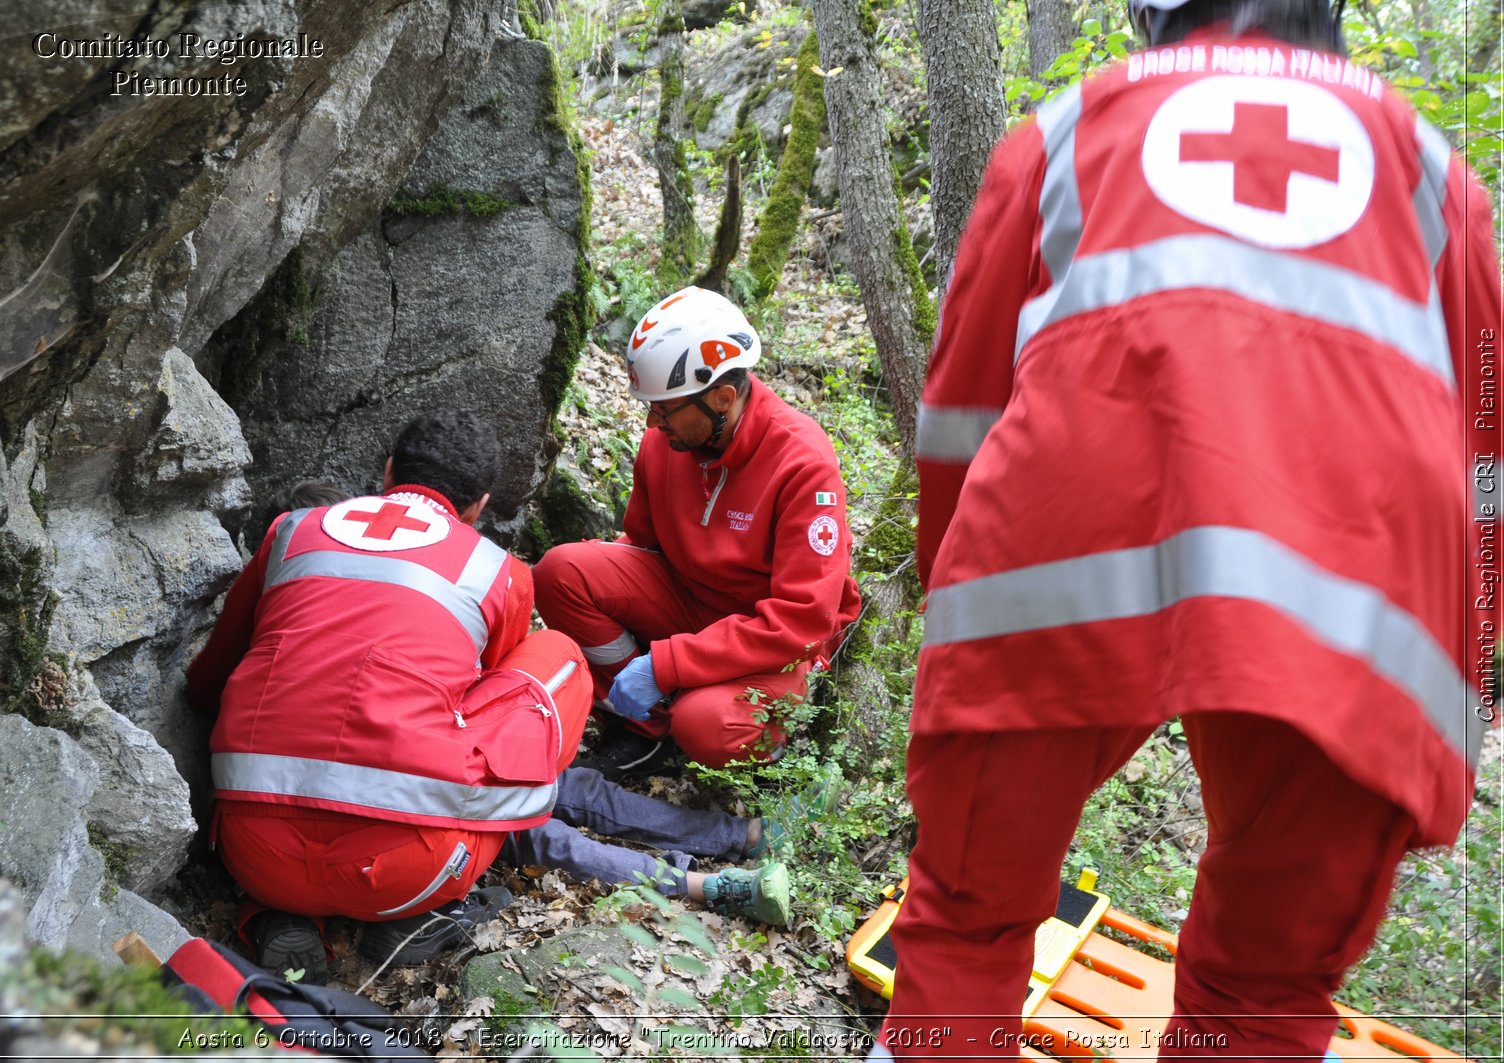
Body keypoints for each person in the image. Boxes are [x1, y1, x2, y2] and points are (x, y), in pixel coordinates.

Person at [877, 0, 1500, 1055]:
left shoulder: (1069, 130)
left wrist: (956, 609)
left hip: (1058, 558)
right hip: (1369, 600)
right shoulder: (1435, 174)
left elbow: (962, 414)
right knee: (1258, 995)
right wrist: (1467, 657)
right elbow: (1486, 450)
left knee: (966, 920)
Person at [186, 413, 807, 982]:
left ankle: (283, 917)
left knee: (404, 808)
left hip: (253, 854)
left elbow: (208, 679)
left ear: (387, 474)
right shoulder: (494, 570)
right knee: (555, 664)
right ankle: (420, 912)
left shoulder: (290, 533)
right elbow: (486, 699)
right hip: (411, 867)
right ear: (479, 505)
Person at [536, 286, 863, 776]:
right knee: (559, 571)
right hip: (689, 601)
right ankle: (644, 728)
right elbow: (642, 546)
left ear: (722, 399)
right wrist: (607, 610)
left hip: (771, 642)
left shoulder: (802, 463)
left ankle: (716, 718)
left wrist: (666, 665)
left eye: (664, 409)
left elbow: (800, 625)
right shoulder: (664, 443)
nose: (651, 421)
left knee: (706, 725)